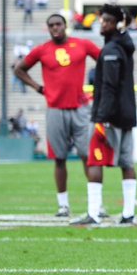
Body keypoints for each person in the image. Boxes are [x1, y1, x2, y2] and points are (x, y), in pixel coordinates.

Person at [15, 13, 101, 217]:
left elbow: (104, 59)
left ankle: (96, 204)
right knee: (59, 158)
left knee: (87, 156)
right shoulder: (42, 50)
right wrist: (38, 88)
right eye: (51, 25)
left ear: (65, 25)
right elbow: (19, 69)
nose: (55, 28)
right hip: (55, 109)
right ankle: (63, 205)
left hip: (80, 108)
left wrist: (101, 85)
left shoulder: (82, 44)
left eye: (58, 24)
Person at [74, 3, 137, 226]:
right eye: (102, 20)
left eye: (108, 21)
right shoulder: (123, 46)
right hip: (127, 114)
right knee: (127, 163)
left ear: (117, 24)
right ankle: (128, 213)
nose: (103, 24)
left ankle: (93, 213)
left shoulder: (111, 50)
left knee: (94, 161)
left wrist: (101, 117)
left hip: (110, 116)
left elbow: (109, 86)